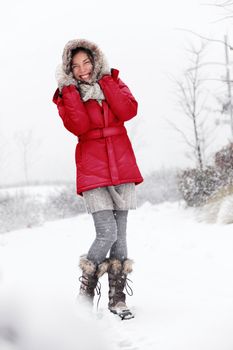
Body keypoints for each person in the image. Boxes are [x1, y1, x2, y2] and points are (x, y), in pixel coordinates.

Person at [52, 38, 143, 320]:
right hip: (92, 170)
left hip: (122, 164)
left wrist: (106, 83)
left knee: (121, 237)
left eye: (87, 62)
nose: (83, 70)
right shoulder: (67, 93)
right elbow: (78, 125)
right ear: (69, 69)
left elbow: (128, 111)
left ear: (96, 60)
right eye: (76, 66)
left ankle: (117, 299)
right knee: (107, 233)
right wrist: (69, 89)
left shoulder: (113, 81)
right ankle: (86, 291)